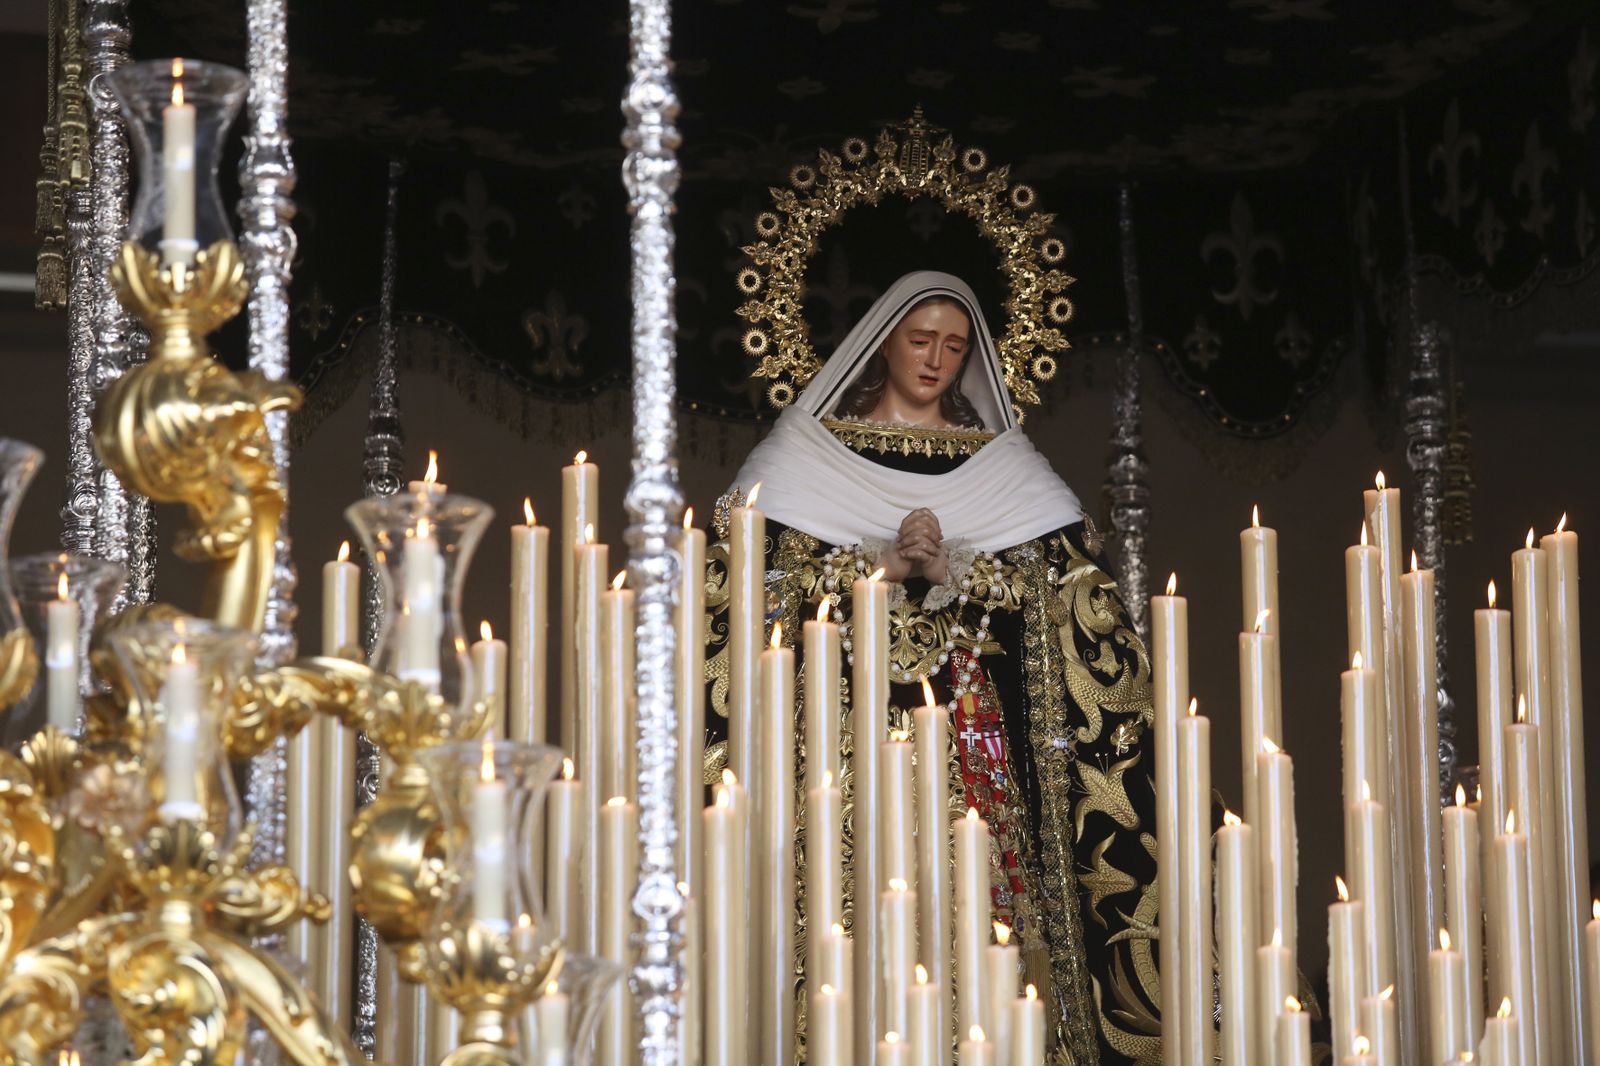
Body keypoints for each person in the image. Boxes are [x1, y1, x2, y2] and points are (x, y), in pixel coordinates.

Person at [704, 271, 1162, 1063]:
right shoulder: (804, 459)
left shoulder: (1007, 470)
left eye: (954, 347)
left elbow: (1079, 602)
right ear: (883, 341)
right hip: (843, 737)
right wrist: (872, 569)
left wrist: (963, 573)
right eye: (921, 341)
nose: (936, 362)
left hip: (971, 727)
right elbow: (743, 589)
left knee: (980, 896)